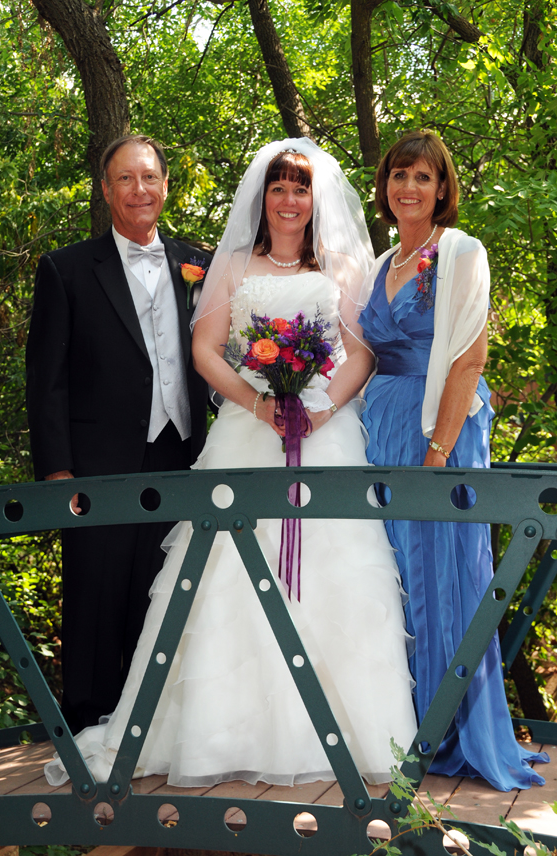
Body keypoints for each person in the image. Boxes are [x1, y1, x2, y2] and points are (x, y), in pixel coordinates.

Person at [44, 137, 417, 789]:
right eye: (278, 188)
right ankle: (217, 734)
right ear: (263, 197)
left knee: (337, 580)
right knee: (223, 581)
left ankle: (346, 735)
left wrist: (320, 408)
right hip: (246, 435)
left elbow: (361, 352)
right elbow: (205, 348)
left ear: (315, 198)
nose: (289, 200)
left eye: (300, 189)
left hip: (325, 441)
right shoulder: (233, 264)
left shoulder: (342, 267)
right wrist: (259, 402)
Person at [359, 130, 547, 791]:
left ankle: (458, 731)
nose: (408, 186)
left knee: (449, 571)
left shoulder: (461, 253)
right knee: (399, 574)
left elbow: (470, 357)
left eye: (422, 176)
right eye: (398, 174)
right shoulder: (380, 264)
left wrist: (438, 450)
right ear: (384, 185)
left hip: (440, 431)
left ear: (443, 189)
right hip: (381, 431)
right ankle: (409, 724)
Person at [26, 135, 211, 735]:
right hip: (97, 464)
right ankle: (87, 731)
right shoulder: (66, 269)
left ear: (165, 185)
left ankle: (155, 732)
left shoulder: (201, 264)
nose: (139, 190)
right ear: (105, 190)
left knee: (165, 594)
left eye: (149, 178)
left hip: (182, 453)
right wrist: (59, 473)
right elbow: (46, 381)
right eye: (125, 180)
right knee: (95, 599)